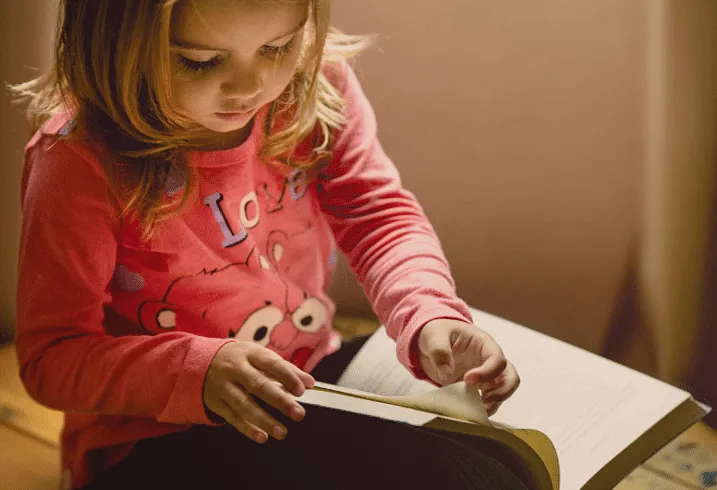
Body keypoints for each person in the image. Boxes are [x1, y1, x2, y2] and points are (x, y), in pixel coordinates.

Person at [10, 0, 523, 488]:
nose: (251, 86)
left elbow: (376, 214)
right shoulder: (78, 162)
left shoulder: (313, 87)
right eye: (200, 61)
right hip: (153, 436)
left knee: (490, 469)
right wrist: (197, 371)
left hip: (312, 377)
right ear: (110, 43)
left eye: (277, 48)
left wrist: (429, 312)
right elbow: (52, 359)